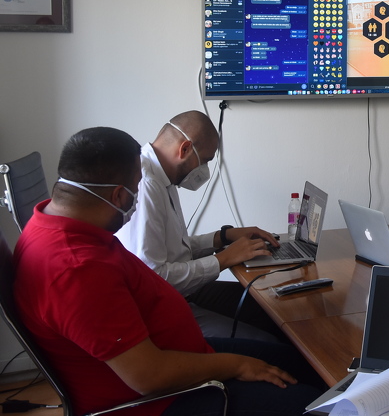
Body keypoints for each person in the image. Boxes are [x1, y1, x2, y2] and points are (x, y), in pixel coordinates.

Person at [14, 126, 324, 416]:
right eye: (135, 189)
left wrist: (222, 238)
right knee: (316, 404)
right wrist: (238, 365)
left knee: (305, 365)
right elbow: (150, 377)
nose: (137, 198)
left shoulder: (52, 222)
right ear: (119, 196)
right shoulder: (75, 269)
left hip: (180, 353)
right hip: (163, 398)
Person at [116, 110, 281, 340]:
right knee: (266, 344)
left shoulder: (163, 177)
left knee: (268, 306)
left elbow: (174, 248)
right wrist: (224, 259)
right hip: (161, 308)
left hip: (181, 293)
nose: (204, 170)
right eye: (205, 160)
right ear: (184, 149)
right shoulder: (147, 185)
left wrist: (223, 237)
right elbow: (154, 278)